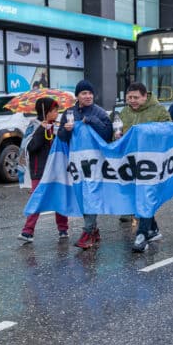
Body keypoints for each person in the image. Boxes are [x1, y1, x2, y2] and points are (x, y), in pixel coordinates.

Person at [114, 83, 172, 252]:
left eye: (136, 97)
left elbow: (168, 131)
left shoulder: (159, 111)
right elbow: (117, 135)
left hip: (152, 162)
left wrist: (145, 132)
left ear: (145, 96)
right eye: (129, 98)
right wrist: (117, 135)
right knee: (136, 197)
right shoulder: (124, 113)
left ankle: (142, 234)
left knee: (146, 195)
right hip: (130, 163)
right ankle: (153, 229)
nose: (132, 101)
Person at [57, 79, 113, 249]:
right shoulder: (69, 113)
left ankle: (87, 232)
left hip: (95, 163)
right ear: (77, 96)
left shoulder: (100, 113)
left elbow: (107, 134)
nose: (88, 96)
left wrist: (93, 121)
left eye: (90, 93)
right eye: (84, 93)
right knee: (82, 196)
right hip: (77, 163)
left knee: (91, 194)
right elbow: (61, 137)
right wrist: (65, 130)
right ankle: (94, 230)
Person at [18, 97, 69, 243]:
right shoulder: (34, 126)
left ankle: (63, 229)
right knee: (37, 199)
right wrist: (42, 130)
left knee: (59, 198)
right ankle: (28, 232)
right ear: (45, 112)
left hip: (56, 169)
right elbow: (31, 147)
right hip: (39, 170)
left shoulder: (57, 126)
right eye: (54, 111)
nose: (56, 114)